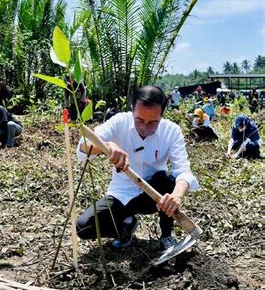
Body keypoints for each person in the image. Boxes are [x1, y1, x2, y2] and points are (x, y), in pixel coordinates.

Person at [76, 86, 199, 251]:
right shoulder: (120, 121)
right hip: (121, 195)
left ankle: (166, 235)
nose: (145, 128)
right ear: (132, 109)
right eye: (139, 120)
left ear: (162, 114)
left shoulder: (172, 131)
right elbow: (84, 145)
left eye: (153, 122)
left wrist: (176, 196)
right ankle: (125, 226)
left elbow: (183, 170)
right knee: (84, 226)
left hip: (153, 196)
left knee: (167, 180)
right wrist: (108, 146)